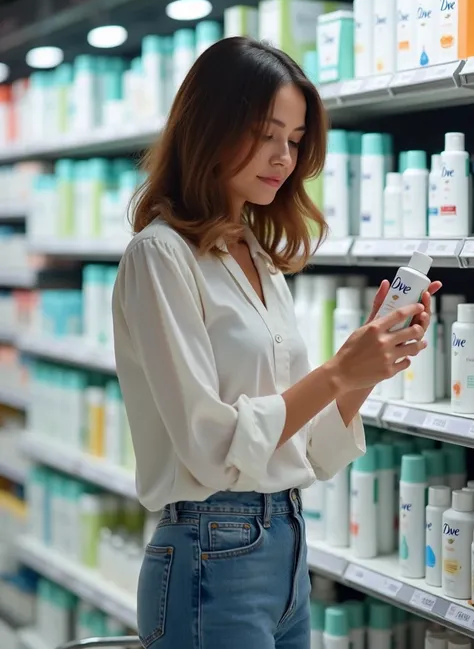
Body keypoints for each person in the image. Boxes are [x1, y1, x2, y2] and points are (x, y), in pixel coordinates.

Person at [112, 36, 441, 649]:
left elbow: (308, 449)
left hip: (286, 544)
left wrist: (368, 365)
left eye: (293, 141)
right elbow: (209, 445)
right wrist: (337, 373)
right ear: (209, 126)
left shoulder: (254, 255)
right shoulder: (160, 255)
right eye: (267, 134)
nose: (283, 158)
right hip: (211, 550)